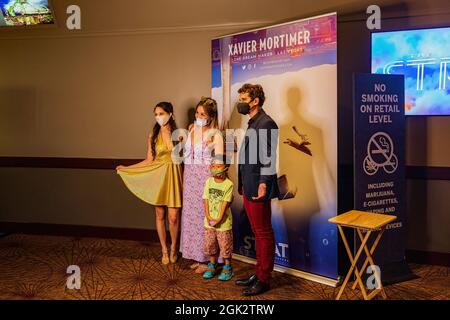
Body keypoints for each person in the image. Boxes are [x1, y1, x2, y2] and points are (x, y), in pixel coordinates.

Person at [116, 102, 182, 265]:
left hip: (174, 176)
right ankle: (164, 250)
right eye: (156, 114)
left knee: (173, 217)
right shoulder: (152, 135)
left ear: (171, 113)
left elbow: (187, 158)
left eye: (161, 113)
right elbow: (149, 160)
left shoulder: (180, 134)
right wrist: (127, 168)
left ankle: (174, 248)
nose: (158, 117)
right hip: (158, 177)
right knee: (160, 215)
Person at [234, 84, 280, 296]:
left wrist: (263, 183)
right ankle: (258, 271)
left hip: (258, 187)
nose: (240, 102)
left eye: (244, 99)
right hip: (249, 185)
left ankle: (264, 278)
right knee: (257, 231)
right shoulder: (254, 122)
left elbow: (269, 158)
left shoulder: (267, 123)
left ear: (255, 101)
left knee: (263, 233)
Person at [179, 97, 224, 273]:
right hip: (190, 178)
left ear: (211, 116)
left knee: (205, 218)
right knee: (191, 218)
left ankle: (208, 259)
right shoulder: (191, 129)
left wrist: (215, 186)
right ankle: (197, 256)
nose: (198, 116)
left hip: (206, 179)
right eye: (197, 113)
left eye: (202, 114)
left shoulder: (216, 134)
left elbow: (219, 163)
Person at [202, 158, 234, 281]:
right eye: (213, 166)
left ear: (225, 168)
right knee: (210, 244)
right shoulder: (208, 182)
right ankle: (212, 265)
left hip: (223, 223)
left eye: (218, 166)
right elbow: (205, 199)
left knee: (225, 245)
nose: (215, 169)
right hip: (209, 222)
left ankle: (227, 268)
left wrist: (219, 219)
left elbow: (225, 203)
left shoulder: (229, 184)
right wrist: (208, 217)